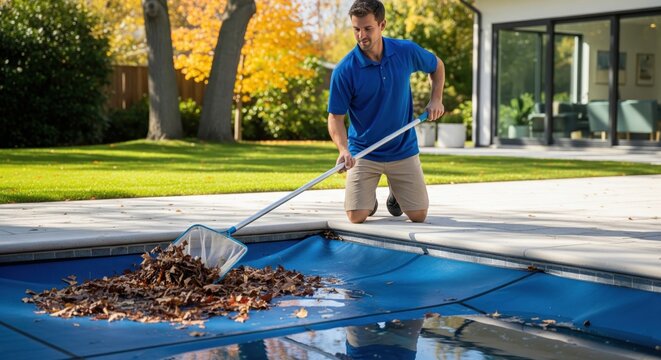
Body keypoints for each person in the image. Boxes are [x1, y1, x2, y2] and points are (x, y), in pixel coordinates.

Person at [327, 0, 445, 224]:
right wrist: (343, 149)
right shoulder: (345, 70)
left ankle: (396, 192)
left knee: (418, 215)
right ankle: (368, 199)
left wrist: (436, 99)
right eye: (356, 29)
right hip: (364, 151)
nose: (361, 35)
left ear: (382, 25)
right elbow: (335, 117)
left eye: (368, 28)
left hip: (402, 148)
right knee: (356, 216)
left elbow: (437, 65)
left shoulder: (405, 51)